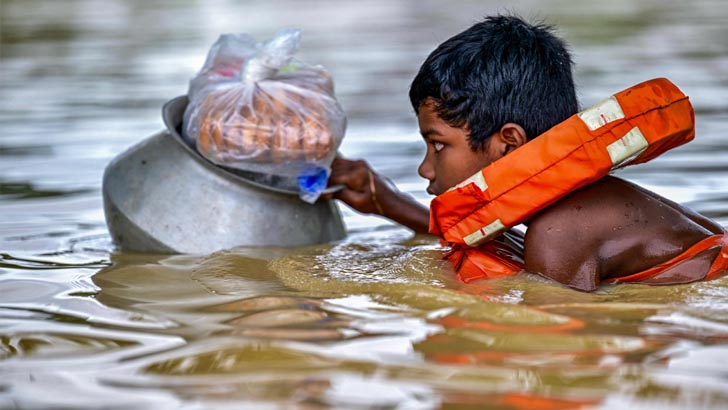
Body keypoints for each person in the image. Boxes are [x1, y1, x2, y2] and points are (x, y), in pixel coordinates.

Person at [326, 15, 727, 292]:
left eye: (438, 144)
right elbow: (499, 241)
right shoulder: (574, 211)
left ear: (509, 143)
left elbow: (551, 342)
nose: (425, 167)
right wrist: (388, 204)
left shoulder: (560, 231)